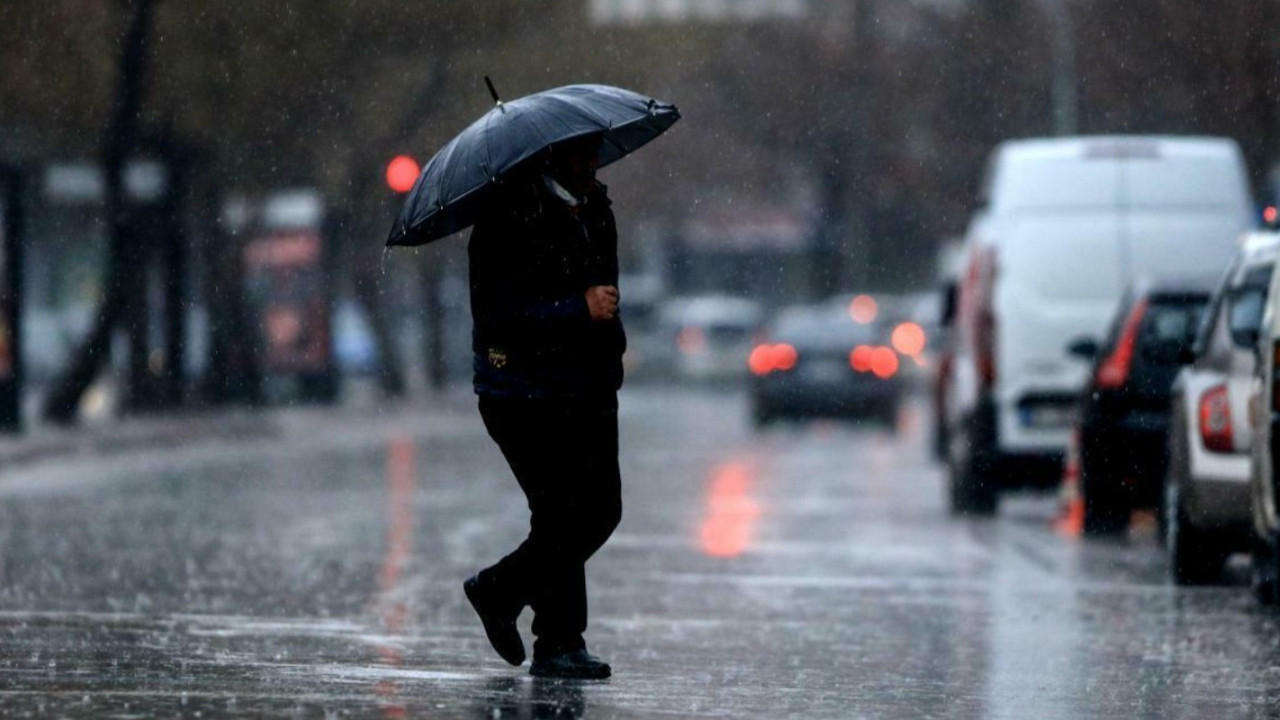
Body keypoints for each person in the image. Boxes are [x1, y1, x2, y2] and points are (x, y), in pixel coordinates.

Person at [462, 132, 624, 680]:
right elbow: (500, 315)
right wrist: (575, 309)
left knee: (599, 510)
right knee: (563, 514)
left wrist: (608, 349)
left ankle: (506, 596)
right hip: (523, 392)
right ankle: (556, 639)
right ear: (549, 156)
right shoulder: (507, 217)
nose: (591, 163)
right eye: (580, 154)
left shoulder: (596, 207)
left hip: (588, 386)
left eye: (594, 152)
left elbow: (608, 291)